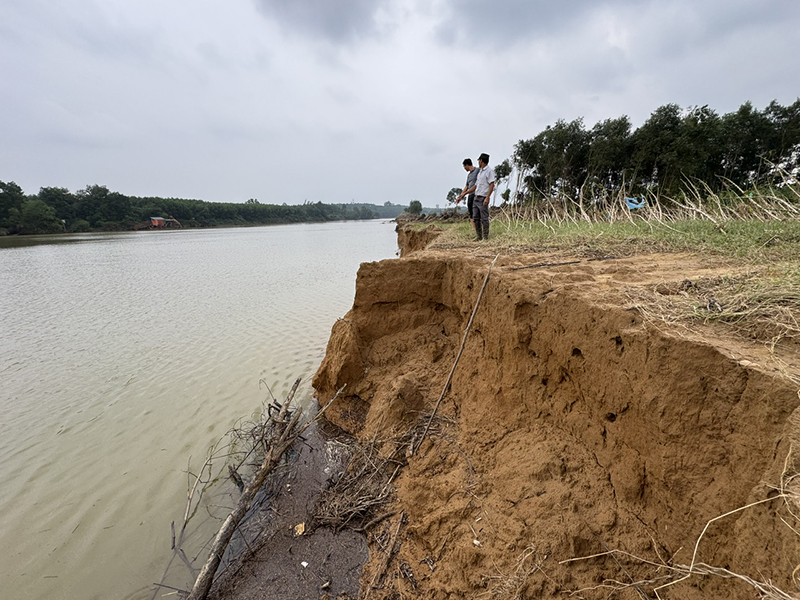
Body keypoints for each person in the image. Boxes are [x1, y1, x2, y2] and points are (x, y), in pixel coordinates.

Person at [473, 153, 495, 240]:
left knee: (484, 219)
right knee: (476, 218)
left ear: (481, 161)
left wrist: (487, 197)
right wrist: (465, 193)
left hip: (483, 198)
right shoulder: (480, 172)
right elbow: (476, 185)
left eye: (479, 160)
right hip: (476, 197)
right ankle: (479, 236)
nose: (478, 162)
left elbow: (492, 185)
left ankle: (485, 237)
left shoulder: (489, 171)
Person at [455, 158, 479, 231]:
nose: (464, 168)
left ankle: (478, 227)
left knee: (476, 211)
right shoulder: (469, 176)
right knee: (470, 211)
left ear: (467, 165)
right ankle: (473, 228)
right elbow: (467, 186)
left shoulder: (477, 170)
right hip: (470, 194)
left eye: (464, 167)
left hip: (476, 194)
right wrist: (460, 196)